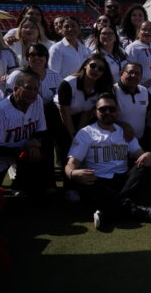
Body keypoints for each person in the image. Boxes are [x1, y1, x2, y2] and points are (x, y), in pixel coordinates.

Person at [65, 93, 151, 230]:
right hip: (98, 181)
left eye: (111, 109)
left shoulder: (125, 131)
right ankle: (135, 210)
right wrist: (73, 174)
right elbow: (70, 164)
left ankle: (108, 213)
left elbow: (140, 154)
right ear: (95, 112)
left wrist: (148, 155)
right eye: (103, 109)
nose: (107, 112)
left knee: (144, 167)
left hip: (122, 180)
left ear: (117, 111)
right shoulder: (86, 133)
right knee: (87, 184)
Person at [54, 54, 114, 201]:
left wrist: (79, 134)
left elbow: (87, 112)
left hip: (79, 115)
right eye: (93, 66)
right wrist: (72, 134)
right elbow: (64, 111)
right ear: (85, 65)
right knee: (66, 149)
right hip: (57, 115)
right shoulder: (69, 83)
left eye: (100, 69)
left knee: (80, 145)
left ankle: (82, 183)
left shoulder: (99, 87)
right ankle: (68, 188)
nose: (96, 70)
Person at [0, 72, 50, 193]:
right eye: (28, 88)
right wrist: (22, 151)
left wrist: (34, 143)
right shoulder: (0, 111)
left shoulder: (37, 100)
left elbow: (41, 129)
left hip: (20, 155)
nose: (32, 93)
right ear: (16, 89)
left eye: (35, 89)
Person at [5, 43, 62, 170]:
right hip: (23, 121)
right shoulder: (17, 75)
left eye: (40, 54)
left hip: (48, 122)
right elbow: (8, 101)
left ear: (46, 57)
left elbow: (60, 101)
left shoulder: (55, 75)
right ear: (27, 57)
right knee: (26, 158)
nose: (36, 57)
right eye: (32, 54)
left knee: (46, 154)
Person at [114, 62, 151, 147]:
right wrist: (122, 125)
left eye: (137, 73)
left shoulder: (143, 91)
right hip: (117, 143)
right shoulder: (112, 91)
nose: (133, 76)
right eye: (130, 72)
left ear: (141, 76)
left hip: (139, 141)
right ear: (121, 73)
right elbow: (103, 116)